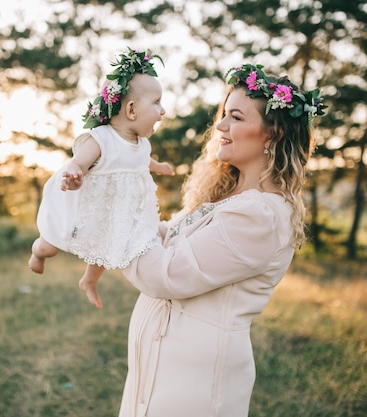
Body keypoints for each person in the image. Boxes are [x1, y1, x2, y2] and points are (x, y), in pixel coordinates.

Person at [117, 63, 326, 417]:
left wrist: (115, 222)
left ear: (272, 134)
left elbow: (166, 274)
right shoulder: (225, 194)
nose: (220, 126)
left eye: (236, 117)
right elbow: (166, 236)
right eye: (224, 114)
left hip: (195, 383)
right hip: (158, 370)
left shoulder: (262, 215)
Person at [28, 48, 174, 310]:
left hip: (115, 213)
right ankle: (37, 252)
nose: (162, 111)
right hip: (87, 209)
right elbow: (78, 162)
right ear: (131, 109)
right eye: (157, 103)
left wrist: (158, 166)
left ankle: (88, 281)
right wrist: (74, 174)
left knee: (108, 247)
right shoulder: (101, 139)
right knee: (51, 245)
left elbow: (141, 161)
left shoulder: (142, 144)